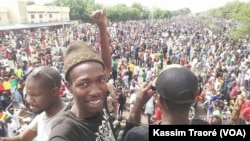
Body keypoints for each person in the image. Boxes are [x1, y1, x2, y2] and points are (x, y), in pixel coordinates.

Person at [48, 9, 116, 141]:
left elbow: (106, 67)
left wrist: (102, 27)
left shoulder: (97, 101)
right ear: (69, 87)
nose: (96, 91)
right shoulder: (66, 131)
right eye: (83, 84)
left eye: (100, 80)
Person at [122, 64, 201, 140]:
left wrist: (138, 104)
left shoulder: (140, 136)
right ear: (195, 97)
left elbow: (129, 136)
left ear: (158, 99)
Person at [0, 66, 66, 141]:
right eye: (27, 94)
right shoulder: (43, 115)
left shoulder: (65, 124)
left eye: (34, 95)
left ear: (54, 92)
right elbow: (22, 138)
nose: (29, 100)